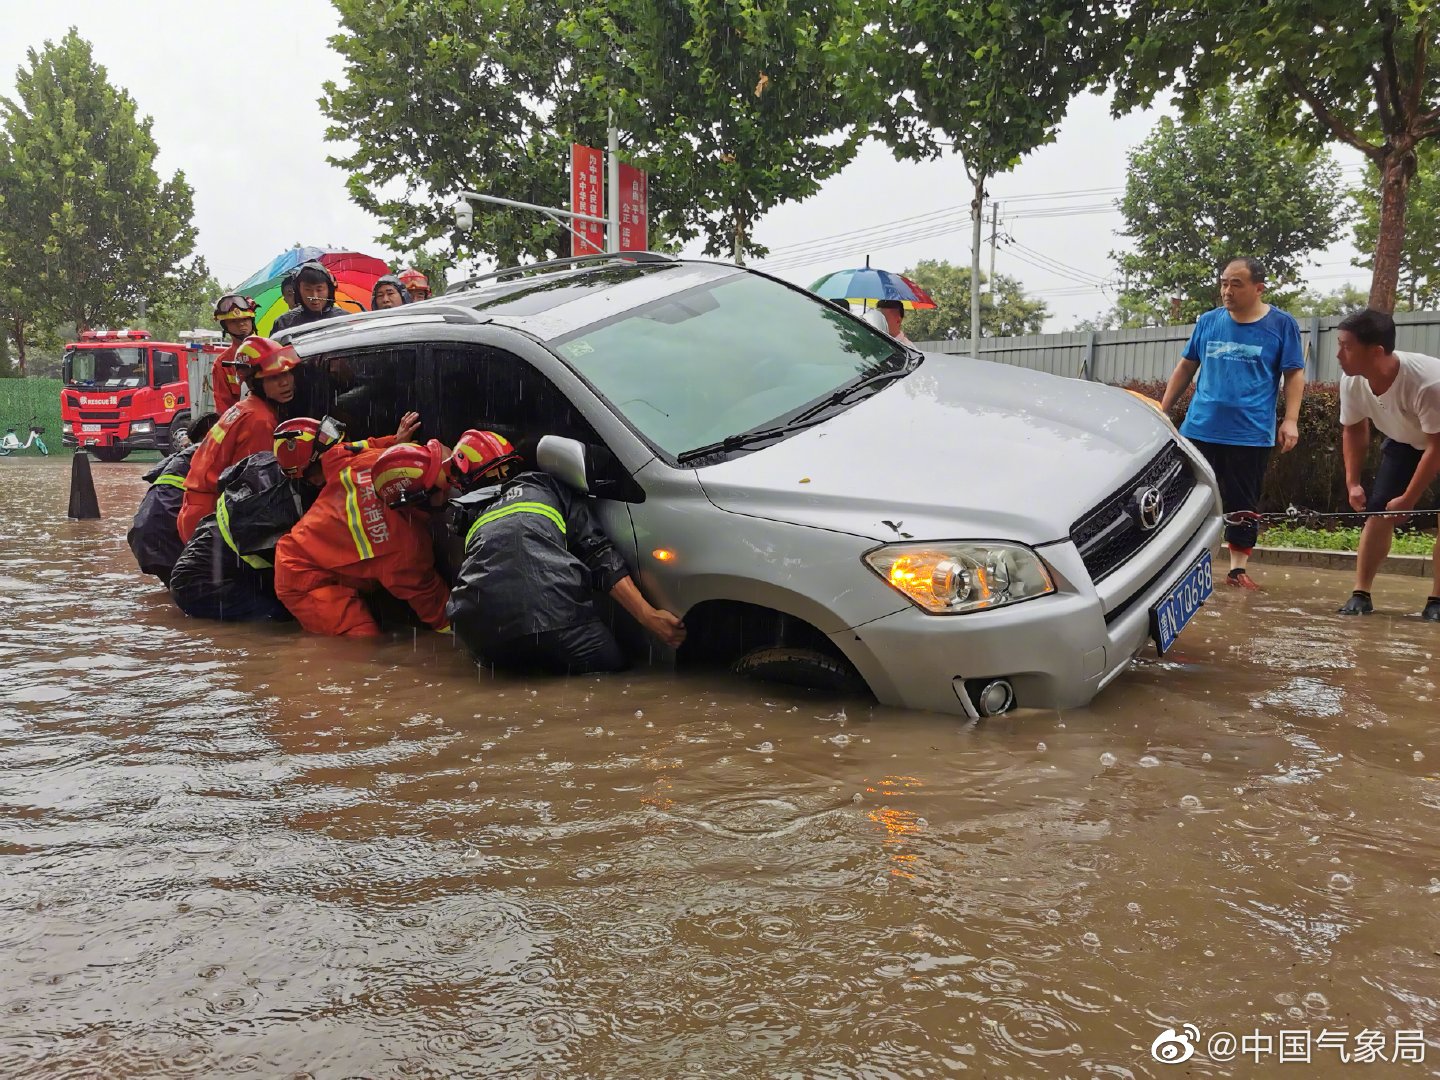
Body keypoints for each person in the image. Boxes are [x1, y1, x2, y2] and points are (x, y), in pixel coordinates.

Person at [445, 430, 686, 673]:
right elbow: (599, 554)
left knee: (514, 677)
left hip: (482, 637)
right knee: (616, 676)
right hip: (557, 620)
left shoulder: (469, 514)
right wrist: (648, 616)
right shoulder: (547, 486)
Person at [1159, 257, 1305, 589]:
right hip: (1199, 429)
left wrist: (1291, 420)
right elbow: (1186, 367)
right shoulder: (1209, 321)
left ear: (1258, 288)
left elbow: (1294, 373)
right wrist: (1164, 409)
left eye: (1236, 284)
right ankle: (1179, 564)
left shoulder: (1282, 325)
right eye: (1224, 283)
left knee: (1243, 501)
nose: (1227, 290)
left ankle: (1237, 569)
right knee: (1186, 497)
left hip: (1250, 434)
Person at [273, 429, 451, 638]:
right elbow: (436, 607)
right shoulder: (404, 553)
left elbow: (340, 451)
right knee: (363, 643)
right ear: (417, 499)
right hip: (302, 576)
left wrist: (393, 440)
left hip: (311, 550)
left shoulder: (369, 462)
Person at [1332, 308, 1440, 620]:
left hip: (1437, 441)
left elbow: (1436, 447)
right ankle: (1360, 593)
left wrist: (1408, 499)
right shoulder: (1353, 381)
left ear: (1376, 352)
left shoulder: (1427, 383)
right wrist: (1353, 482)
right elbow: (1353, 428)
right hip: (1406, 441)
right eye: (1338, 344)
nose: (1339, 354)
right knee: (1378, 511)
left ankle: (1436, 600)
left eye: (1347, 347)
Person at [177, 337, 300, 543]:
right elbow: (254, 487)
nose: (285, 382)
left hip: (196, 509)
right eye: (273, 377)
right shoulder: (260, 420)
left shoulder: (246, 408)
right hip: (210, 515)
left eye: (287, 373)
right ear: (254, 382)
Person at [125, 412, 220, 584]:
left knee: (179, 596)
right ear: (210, 434)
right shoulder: (207, 453)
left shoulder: (179, 458)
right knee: (197, 591)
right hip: (166, 535)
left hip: (145, 533)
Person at [210, 293, 258, 414]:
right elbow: (223, 409)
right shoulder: (222, 364)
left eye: (245, 319)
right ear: (225, 326)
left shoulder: (271, 349)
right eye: (234, 321)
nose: (241, 324)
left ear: (252, 320)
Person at [270, 261, 346, 334]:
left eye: (319, 289)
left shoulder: (346, 319)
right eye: (307, 289)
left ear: (329, 290)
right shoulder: (283, 324)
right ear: (298, 291)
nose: (314, 296)